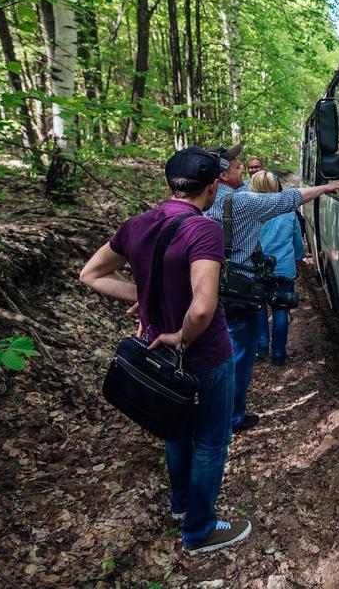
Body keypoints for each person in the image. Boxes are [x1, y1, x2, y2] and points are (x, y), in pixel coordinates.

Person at [79, 146, 251, 555]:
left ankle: (180, 507)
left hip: (155, 355)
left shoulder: (136, 225)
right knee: (210, 441)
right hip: (203, 354)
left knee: (175, 434)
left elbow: (91, 274)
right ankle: (200, 531)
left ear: (169, 183)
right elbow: (204, 305)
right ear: (212, 186)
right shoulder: (204, 229)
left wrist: (148, 298)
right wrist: (183, 336)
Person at [204, 145, 339, 433]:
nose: (243, 170)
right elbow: (289, 198)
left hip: (209, 288)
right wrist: (327, 187)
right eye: (238, 167)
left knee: (220, 348)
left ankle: (213, 410)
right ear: (223, 175)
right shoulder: (241, 203)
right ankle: (232, 417)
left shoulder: (203, 204)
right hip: (239, 289)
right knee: (238, 354)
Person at [250, 171, 304, 366]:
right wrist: (298, 259)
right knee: (281, 310)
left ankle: (262, 347)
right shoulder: (288, 211)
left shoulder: (250, 210)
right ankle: (279, 356)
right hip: (283, 269)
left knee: (259, 308)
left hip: (256, 268)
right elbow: (297, 241)